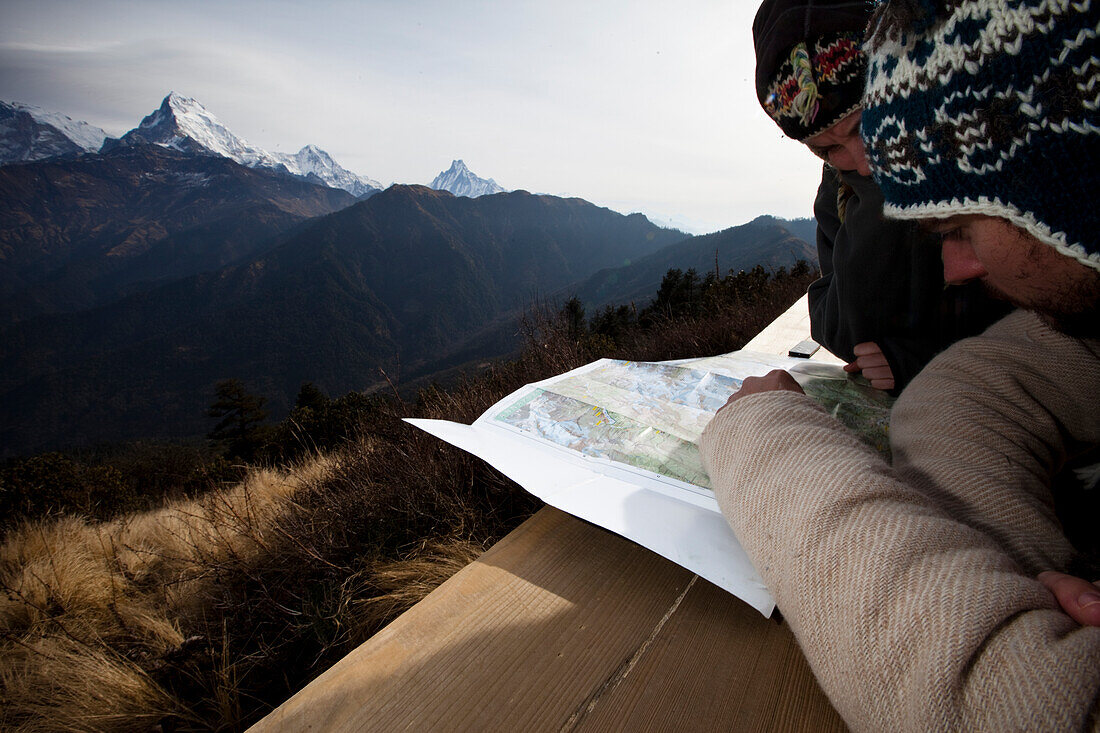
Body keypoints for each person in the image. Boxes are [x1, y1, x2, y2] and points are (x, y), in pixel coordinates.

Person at [701, 1, 1100, 730]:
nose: (955, 263)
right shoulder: (853, 195)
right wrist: (1009, 577)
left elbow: (1002, 700)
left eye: (963, 225)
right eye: (826, 150)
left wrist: (760, 445)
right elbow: (861, 320)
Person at [752, 0, 1008, 392]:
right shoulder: (842, 185)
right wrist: (876, 193)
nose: (863, 163)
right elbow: (843, 330)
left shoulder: (980, 145)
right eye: (827, 148)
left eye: (865, 125)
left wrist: (935, 360)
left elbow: (1051, 312)